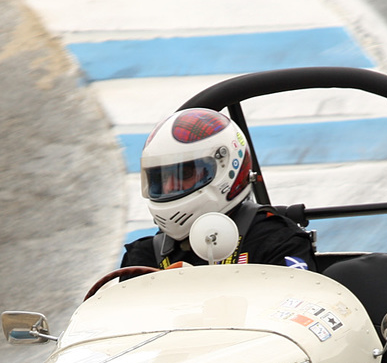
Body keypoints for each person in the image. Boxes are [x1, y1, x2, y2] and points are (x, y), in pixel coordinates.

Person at [120, 108, 315, 275]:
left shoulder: (277, 242)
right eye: (160, 178)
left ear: (226, 170)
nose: (169, 187)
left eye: (184, 173)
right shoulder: (143, 258)